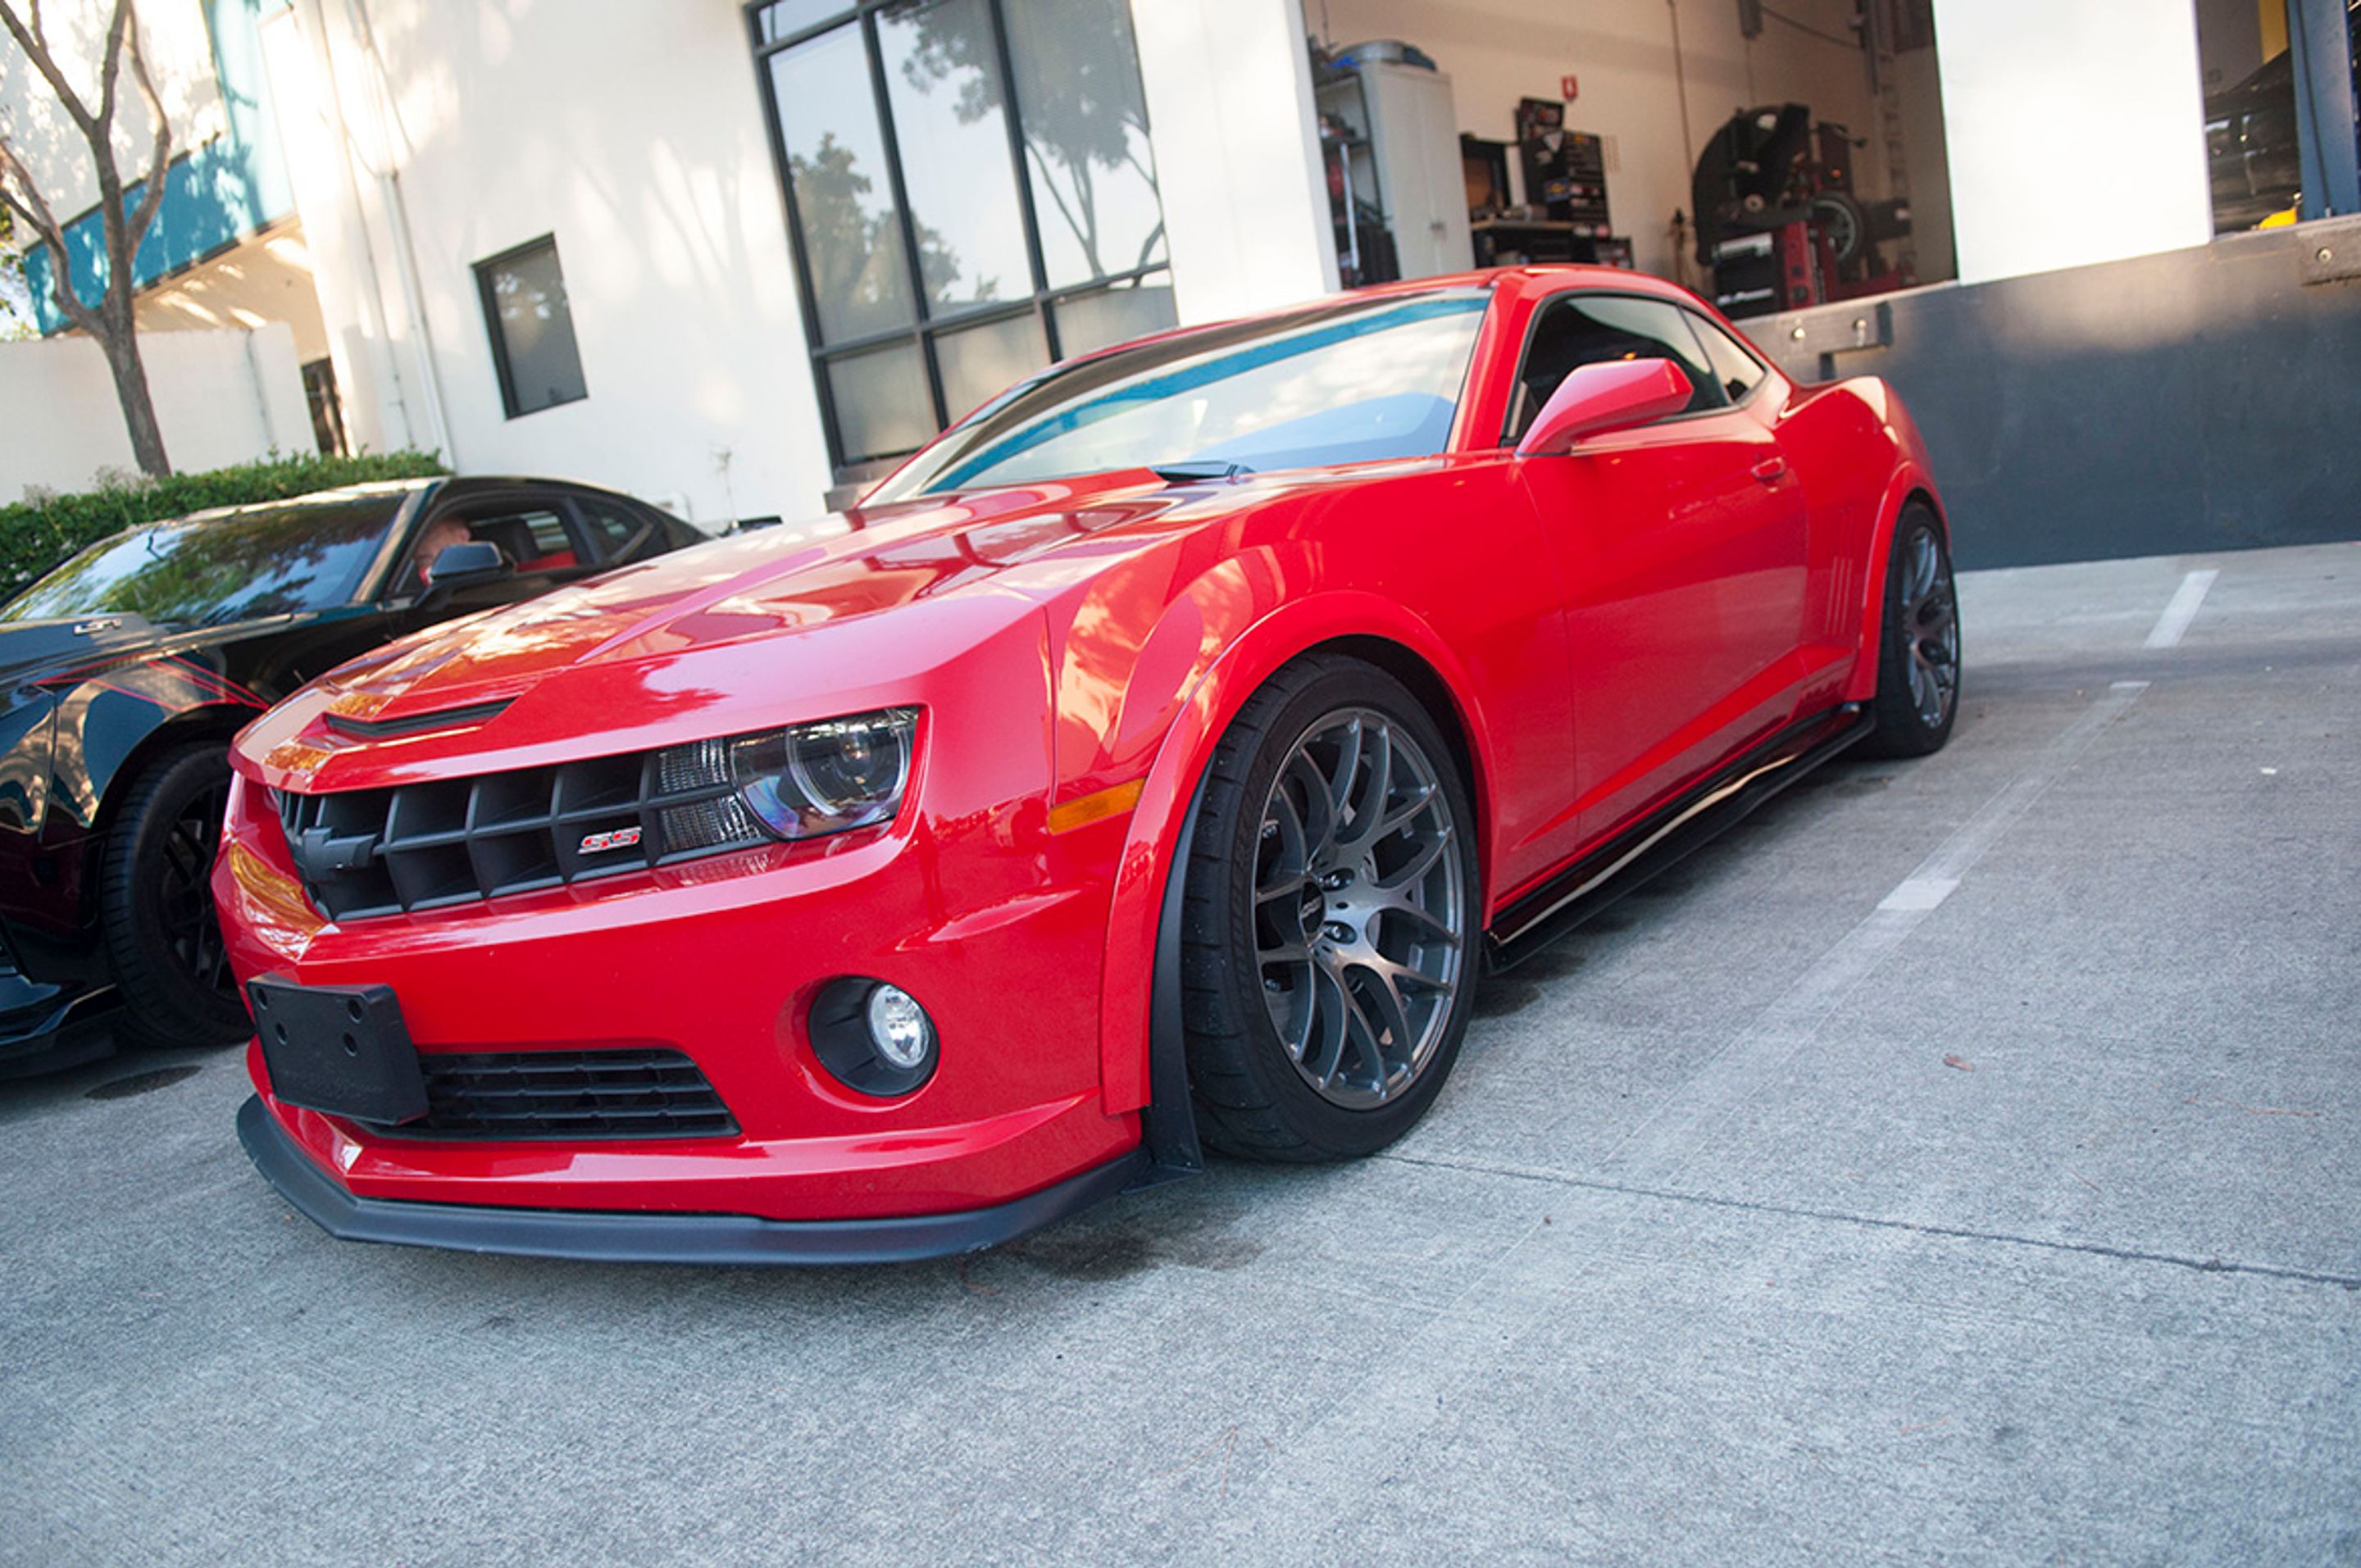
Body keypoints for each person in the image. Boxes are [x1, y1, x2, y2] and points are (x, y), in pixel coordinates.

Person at [408, 517, 475, 589]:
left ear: (462, 537)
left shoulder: (480, 581)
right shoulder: (407, 581)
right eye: (415, 539)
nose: (419, 546)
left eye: (429, 534)